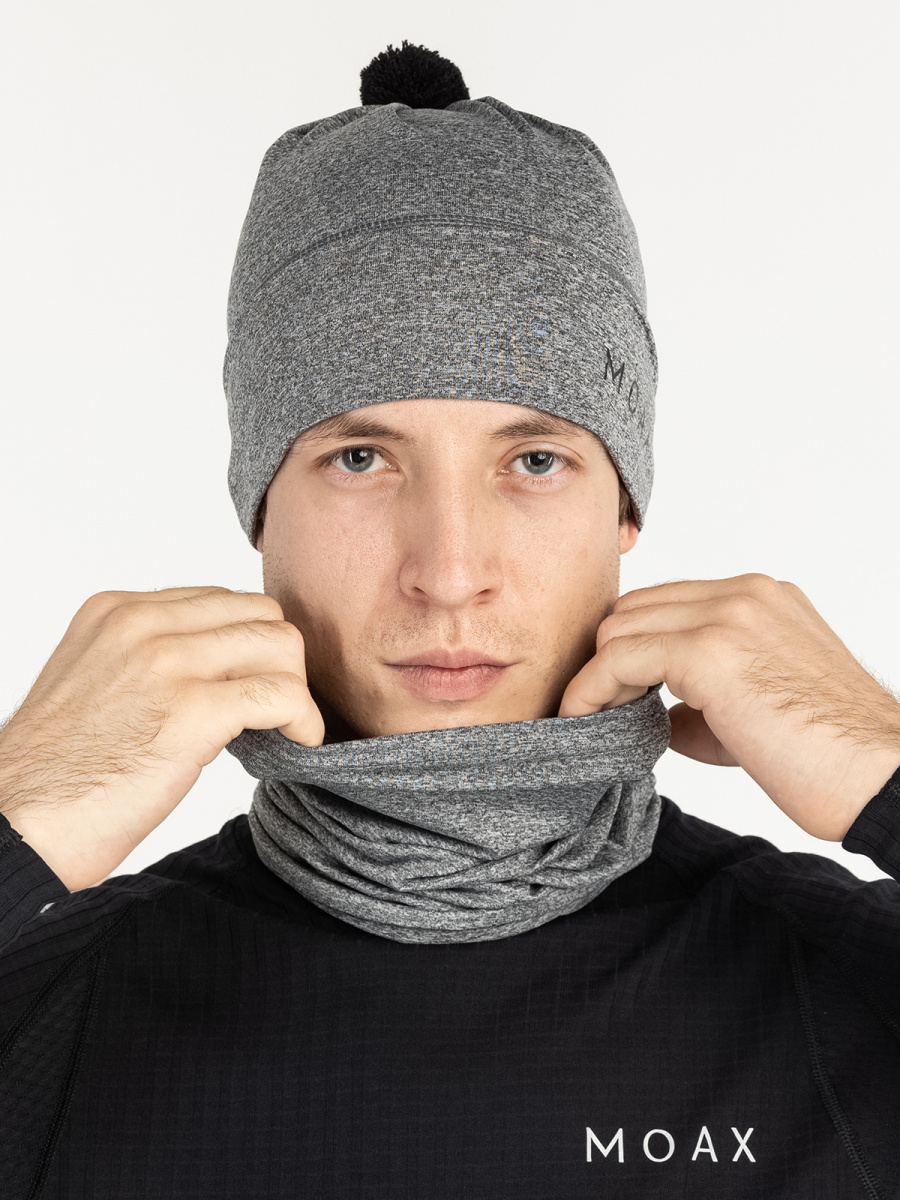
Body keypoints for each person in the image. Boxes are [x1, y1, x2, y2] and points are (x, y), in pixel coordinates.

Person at [1, 39, 899, 1200]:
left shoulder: (851, 989)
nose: (450, 572)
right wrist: (14, 815)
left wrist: (888, 771)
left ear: (625, 507)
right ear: (260, 508)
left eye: (534, 459)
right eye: (360, 457)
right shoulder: (52, 1016)